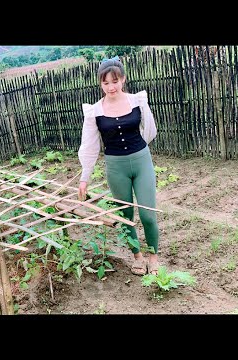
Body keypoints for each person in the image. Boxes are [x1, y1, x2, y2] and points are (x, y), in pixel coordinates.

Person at [77, 56, 159, 276]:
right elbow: (90, 145)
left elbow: (149, 130)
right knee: (125, 215)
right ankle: (138, 257)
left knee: (148, 214)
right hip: (115, 167)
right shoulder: (94, 112)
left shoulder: (138, 101)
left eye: (115, 81)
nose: (111, 87)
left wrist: (138, 149)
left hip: (141, 161)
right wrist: (85, 177)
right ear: (100, 84)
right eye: (106, 83)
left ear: (123, 79)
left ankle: (153, 256)